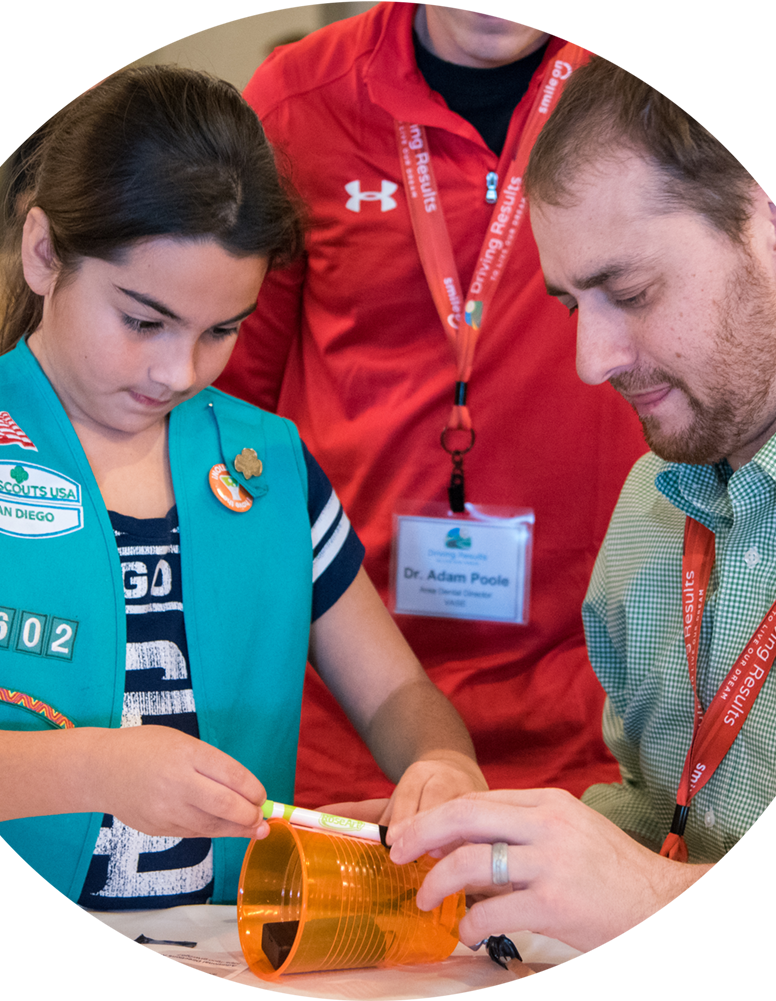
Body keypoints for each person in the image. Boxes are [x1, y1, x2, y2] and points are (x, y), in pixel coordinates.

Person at [0, 65, 486, 912]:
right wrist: (96, 767)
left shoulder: (268, 467)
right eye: (143, 320)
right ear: (45, 253)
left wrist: (442, 763)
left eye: (220, 331)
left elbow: (397, 694)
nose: (178, 370)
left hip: (215, 953)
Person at [387, 56, 776, 951]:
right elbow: (666, 807)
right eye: (574, 305)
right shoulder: (654, 504)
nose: (590, 360)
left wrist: (659, 905)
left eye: (632, 293)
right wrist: (500, 857)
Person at [217, 0, 648, 808]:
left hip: (598, 711)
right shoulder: (297, 104)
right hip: (350, 713)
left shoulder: (652, 82)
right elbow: (228, 415)